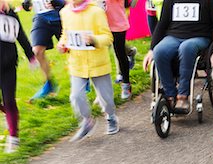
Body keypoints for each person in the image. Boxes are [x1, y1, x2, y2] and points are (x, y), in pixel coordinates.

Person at [142, 0, 213, 113]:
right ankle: (170, 95)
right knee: (159, 51)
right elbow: (162, 23)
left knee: (186, 47)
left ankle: (183, 95)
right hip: (173, 36)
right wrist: (151, 49)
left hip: (199, 37)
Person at [57, 0, 119, 141]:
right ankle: (87, 121)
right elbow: (65, 34)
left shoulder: (96, 11)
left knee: (106, 99)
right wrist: (62, 44)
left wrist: (94, 39)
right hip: (77, 63)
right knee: (76, 96)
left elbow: (108, 37)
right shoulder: (64, 12)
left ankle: (111, 116)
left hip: (98, 63)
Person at [0, 0, 37, 153]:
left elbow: (20, 34)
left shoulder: (10, 14)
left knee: (9, 100)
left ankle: (13, 137)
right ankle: (9, 114)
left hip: (7, 65)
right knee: (6, 105)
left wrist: (31, 56)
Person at [22, 0, 65, 100]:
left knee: (71, 50)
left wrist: (60, 2)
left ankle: (84, 81)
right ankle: (49, 84)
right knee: (37, 51)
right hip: (41, 17)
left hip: (62, 15)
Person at [97, 0, 134, 99]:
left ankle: (126, 84)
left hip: (117, 23)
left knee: (120, 54)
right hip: (100, 26)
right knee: (99, 58)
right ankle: (101, 92)